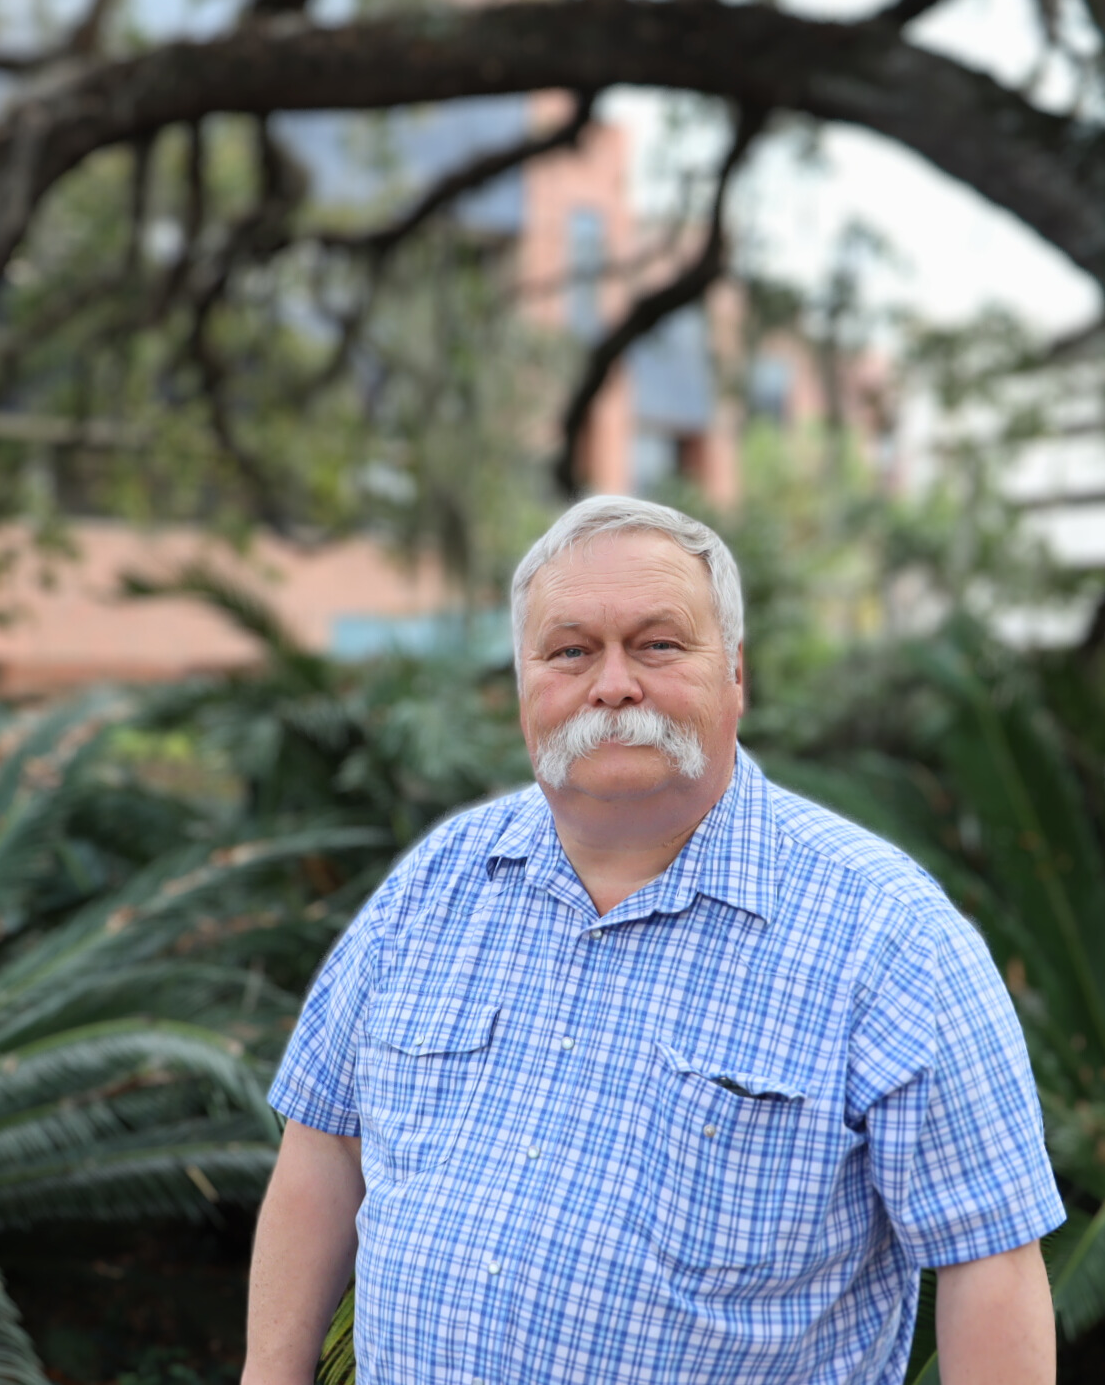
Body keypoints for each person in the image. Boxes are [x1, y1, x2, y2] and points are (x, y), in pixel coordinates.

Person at [244, 496, 1063, 1385]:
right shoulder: (436, 884)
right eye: (570, 651)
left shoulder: (889, 936)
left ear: (736, 672)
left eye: (658, 644)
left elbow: (989, 1261)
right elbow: (325, 1144)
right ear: (523, 683)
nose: (613, 684)